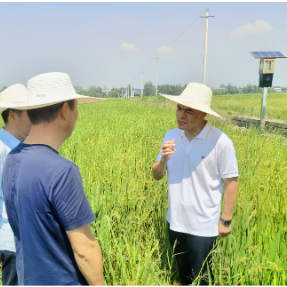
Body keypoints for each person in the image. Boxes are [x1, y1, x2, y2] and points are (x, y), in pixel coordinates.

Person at [2, 72, 105, 286]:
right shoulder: (62, 171)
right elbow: (85, 249)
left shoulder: (12, 159)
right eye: (76, 106)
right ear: (65, 110)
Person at [152, 83, 239, 286]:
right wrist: (163, 159)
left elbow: (231, 182)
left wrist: (226, 220)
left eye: (188, 111)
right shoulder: (171, 136)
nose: (181, 115)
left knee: (201, 279)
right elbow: (156, 174)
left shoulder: (220, 142)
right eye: (179, 108)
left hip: (203, 226)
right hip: (175, 222)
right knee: (183, 276)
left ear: (202, 114)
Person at [0, 84, 31, 286]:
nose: (36, 118)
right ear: (13, 114)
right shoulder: (2, 148)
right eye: (30, 112)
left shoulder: (29, 145)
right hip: (11, 241)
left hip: (31, 241)